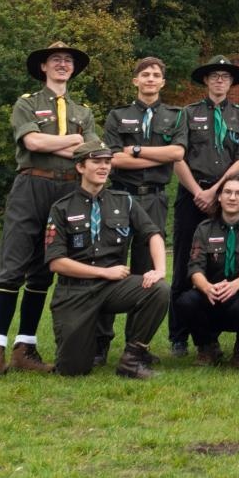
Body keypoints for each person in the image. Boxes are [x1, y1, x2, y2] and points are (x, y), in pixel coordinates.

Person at [0, 41, 98, 382]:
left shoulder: (84, 111)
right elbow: (33, 144)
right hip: (31, 186)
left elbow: (93, 153)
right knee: (12, 268)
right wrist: (73, 141)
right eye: (55, 59)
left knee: (44, 271)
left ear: (73, 69)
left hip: (69, 189)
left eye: (68, 61)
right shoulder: (26, 104)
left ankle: (25, 348)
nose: (62, 64)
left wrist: (68, 143)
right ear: (43, 67)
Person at [43, 139, 169, 378]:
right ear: (80, 167)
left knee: (158, 290)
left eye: (107, 162)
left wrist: (160, 269)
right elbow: (56, 262)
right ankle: (89, 343)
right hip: (76, 291)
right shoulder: (62, 208)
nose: (104, 167)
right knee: (73, 369)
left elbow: (153, 234)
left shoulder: (124, 201)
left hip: (113, 288)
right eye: (96, 162)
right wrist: (104, 272)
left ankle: (133, 359)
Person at [96, 55, 184, 362]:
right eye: (144, 74)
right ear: (135, 80)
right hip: (120, 195)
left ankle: (137, 346)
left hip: (154, 198)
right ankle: (100, 342)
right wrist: (157, 157)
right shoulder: (118, 115)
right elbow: (112, 159)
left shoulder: (175, 116)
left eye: (155, 74)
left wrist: (133, 150)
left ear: (162, 82)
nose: (150, 78)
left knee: (148, 271)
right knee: (110, 266)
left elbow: (177, 152)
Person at [168, 55, 239, 357]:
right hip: (192, 192)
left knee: (225, 258)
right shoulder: (188, 113)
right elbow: (178, 155)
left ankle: (216, 333)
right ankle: (178, 336)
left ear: (231, 82)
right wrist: (198, 192)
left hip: (226, 189)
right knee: (182, 265)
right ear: (206, 81)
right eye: (214, 75)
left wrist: (216, 191)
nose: (219, 80)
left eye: (225, 76)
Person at [174, 169, 239, 367]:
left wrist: (235, 285)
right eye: (227, 192)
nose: (233, 197)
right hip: (212, 294)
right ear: (220, 197)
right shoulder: (204, 228)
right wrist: (206, 287)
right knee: (185, 301)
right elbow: (195, 266)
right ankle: (207, 347)